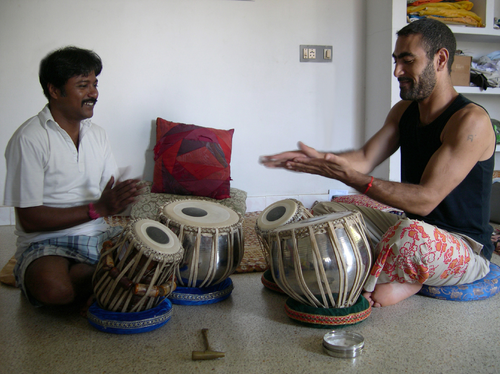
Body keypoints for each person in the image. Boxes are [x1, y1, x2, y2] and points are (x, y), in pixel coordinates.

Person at [260, 18, 495, 308]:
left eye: (408, 61)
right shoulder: (404, 111)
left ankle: (381, 278)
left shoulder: (471, 121)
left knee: (410, 236)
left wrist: (354, 179)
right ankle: (393, 271)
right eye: (396, 61)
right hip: (408, 227)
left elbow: (424, 201)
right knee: (327, 211)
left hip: (462, 247)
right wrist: (321, 161)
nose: (398, 71)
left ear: (441, 59)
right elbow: (363, 159)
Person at [3, 46, 140, 310]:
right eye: (82, 85)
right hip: (45, 242)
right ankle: (99, 283)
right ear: (55, 90)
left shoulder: (97, 134)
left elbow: (108, 198)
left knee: (161, 255)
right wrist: (97, 208)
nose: (93, 93)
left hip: (97, 235)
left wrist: (121, 198)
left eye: (94, 84)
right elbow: (30, 220)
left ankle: (92, 279)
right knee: (56, 288)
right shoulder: (29, 138)